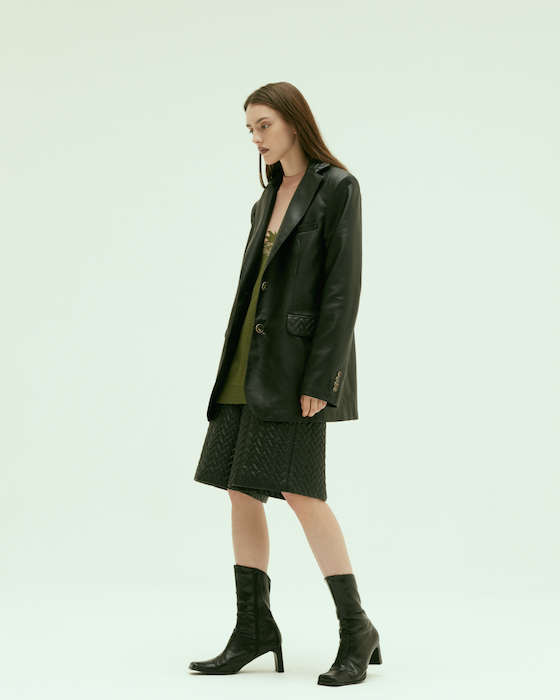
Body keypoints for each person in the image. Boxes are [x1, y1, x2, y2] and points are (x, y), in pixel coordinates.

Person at [188, 82, 381, 686]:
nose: (256, 137)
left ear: (294, 122)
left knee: (301, 492)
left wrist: (323, 376)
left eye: (264, 124)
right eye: (250, 129)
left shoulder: (337, 187)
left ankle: (356, 628)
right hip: (246, 365)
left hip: (296, 371)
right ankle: (253, 627)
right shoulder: (266, 197)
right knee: (239, 490)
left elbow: (342, 290)